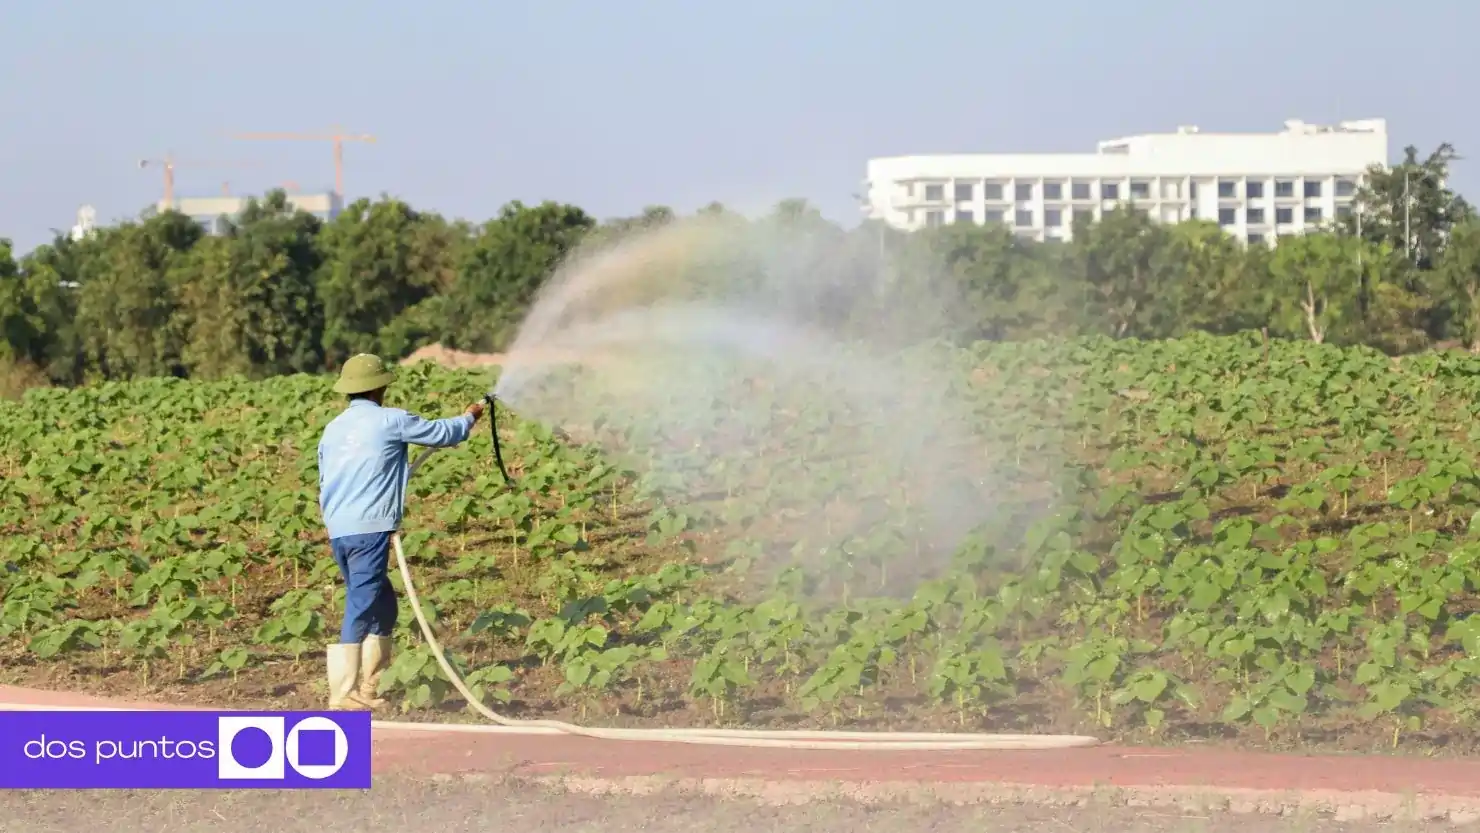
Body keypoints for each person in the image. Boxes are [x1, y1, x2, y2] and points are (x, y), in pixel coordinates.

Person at [316, 353, 485, 710]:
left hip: (339, 528)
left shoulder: (333, 428)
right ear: (379, 387)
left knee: (383, 606)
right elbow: (442, 433)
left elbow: (322, 475)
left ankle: (370, 687)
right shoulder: (390, 420)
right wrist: (470, 416)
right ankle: (344, 694)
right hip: (369, 526)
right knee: (362, 603)